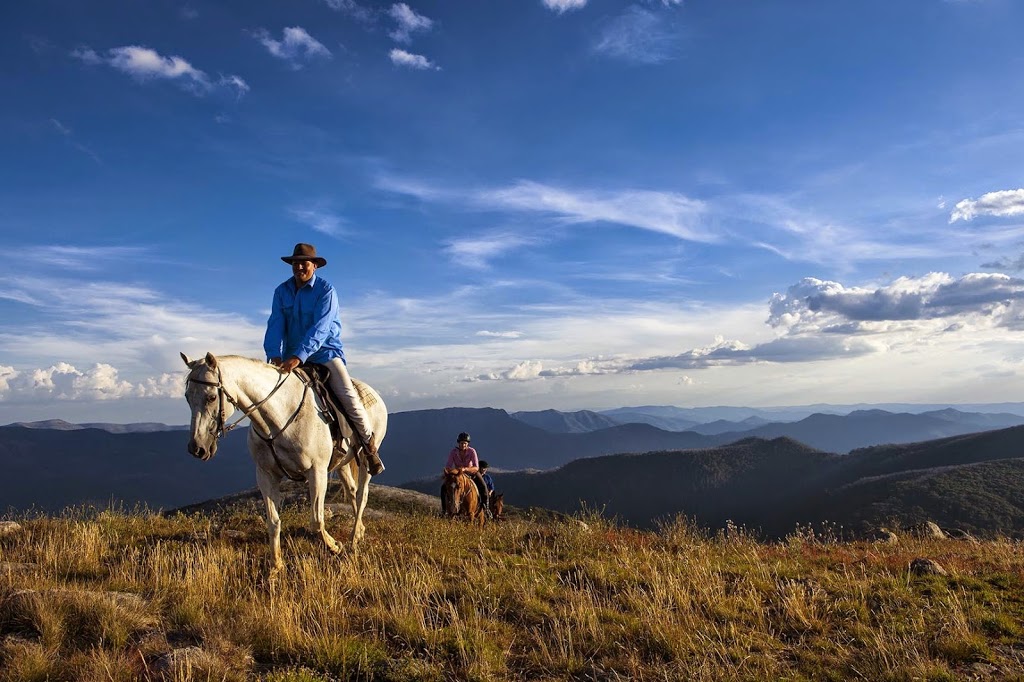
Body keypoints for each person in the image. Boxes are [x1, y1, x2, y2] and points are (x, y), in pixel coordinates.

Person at [263, 242, 384, 475]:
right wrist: (273, 354)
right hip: (290, 357)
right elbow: (275, 324)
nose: (299, 267)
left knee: (349, 397)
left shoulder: (326, 291)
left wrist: (299, 356)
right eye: (295, 263)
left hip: (325, 353)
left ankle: (369, 448)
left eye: (304, 263)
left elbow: (320, 328)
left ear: (315, 266)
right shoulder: (281, 292)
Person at [441, 432, 489, 515]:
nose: (463, 445)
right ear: (458, 443)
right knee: (443, 487)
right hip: (458, 474)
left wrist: (465, 469)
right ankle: (444, 510)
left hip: (471, 472)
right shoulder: (453, 452)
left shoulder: (472, 451)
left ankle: (486, 508)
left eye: (465, 443)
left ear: (468, 444)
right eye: (461, 443)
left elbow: (476, 467)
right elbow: (448, 466)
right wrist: (451, 472)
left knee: (483, 486)